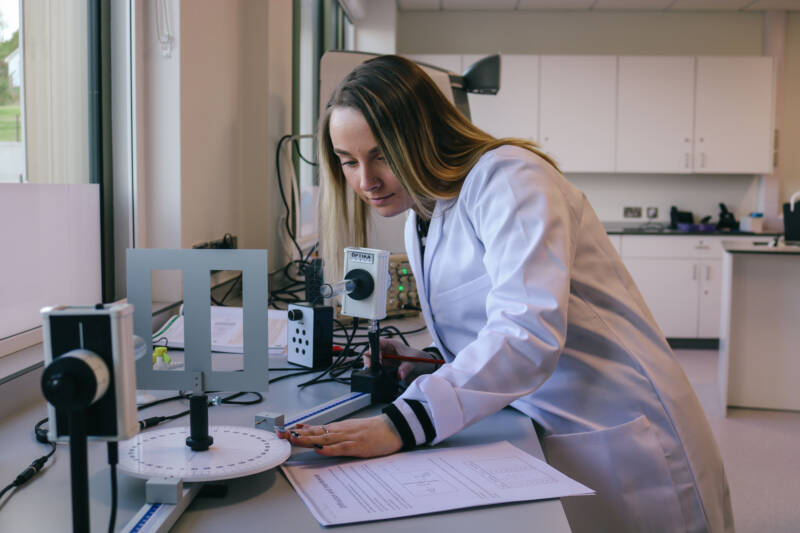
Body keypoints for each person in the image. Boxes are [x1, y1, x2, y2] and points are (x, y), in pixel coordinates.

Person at [281, 55, 734, 533]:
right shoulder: (423, 214)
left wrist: (402, 423)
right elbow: (488, 317)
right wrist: (431, 356)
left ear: (422, 135)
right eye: (348, 161)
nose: (365, 181)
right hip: (542, 417)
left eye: (381, 155)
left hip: (613, 422)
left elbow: (526, 330)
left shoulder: (510, 178)